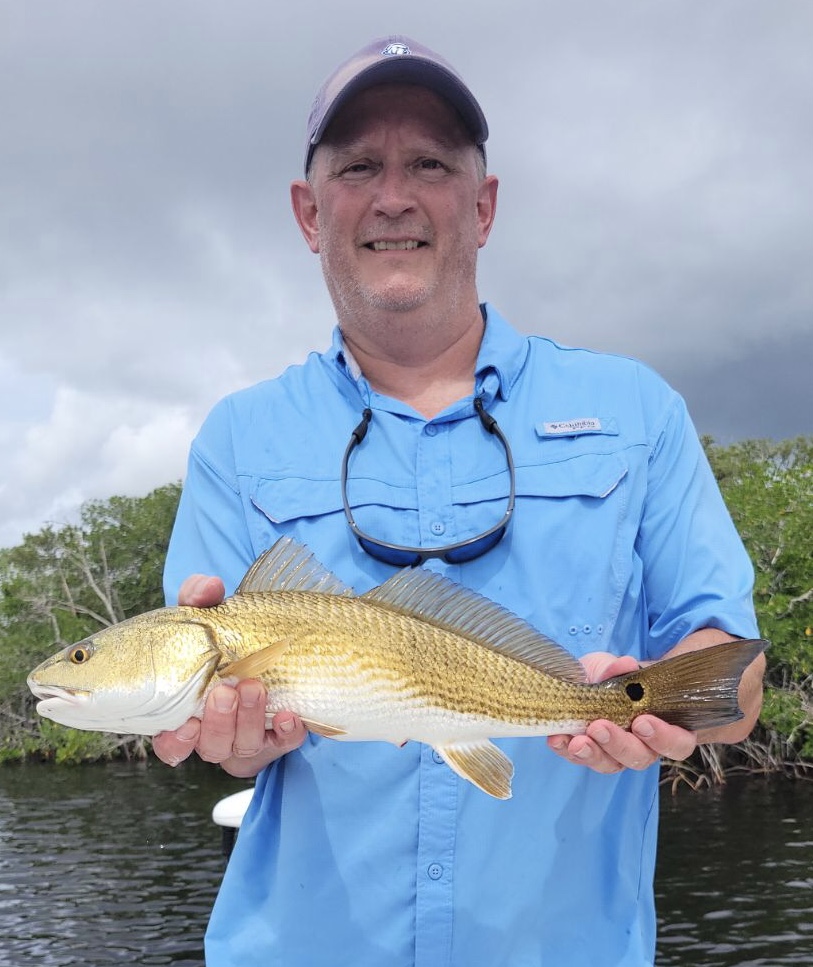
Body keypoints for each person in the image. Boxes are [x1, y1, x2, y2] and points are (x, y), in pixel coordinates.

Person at [154, 36, 765, 967]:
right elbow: (227, 748)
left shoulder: (638, 409)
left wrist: (668, 708)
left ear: (481, 206)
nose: (393, 195)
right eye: (357, 165)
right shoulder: (236, 438)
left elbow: (732, 682)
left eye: (429, 164)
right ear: (306, 212)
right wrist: (225, 736)